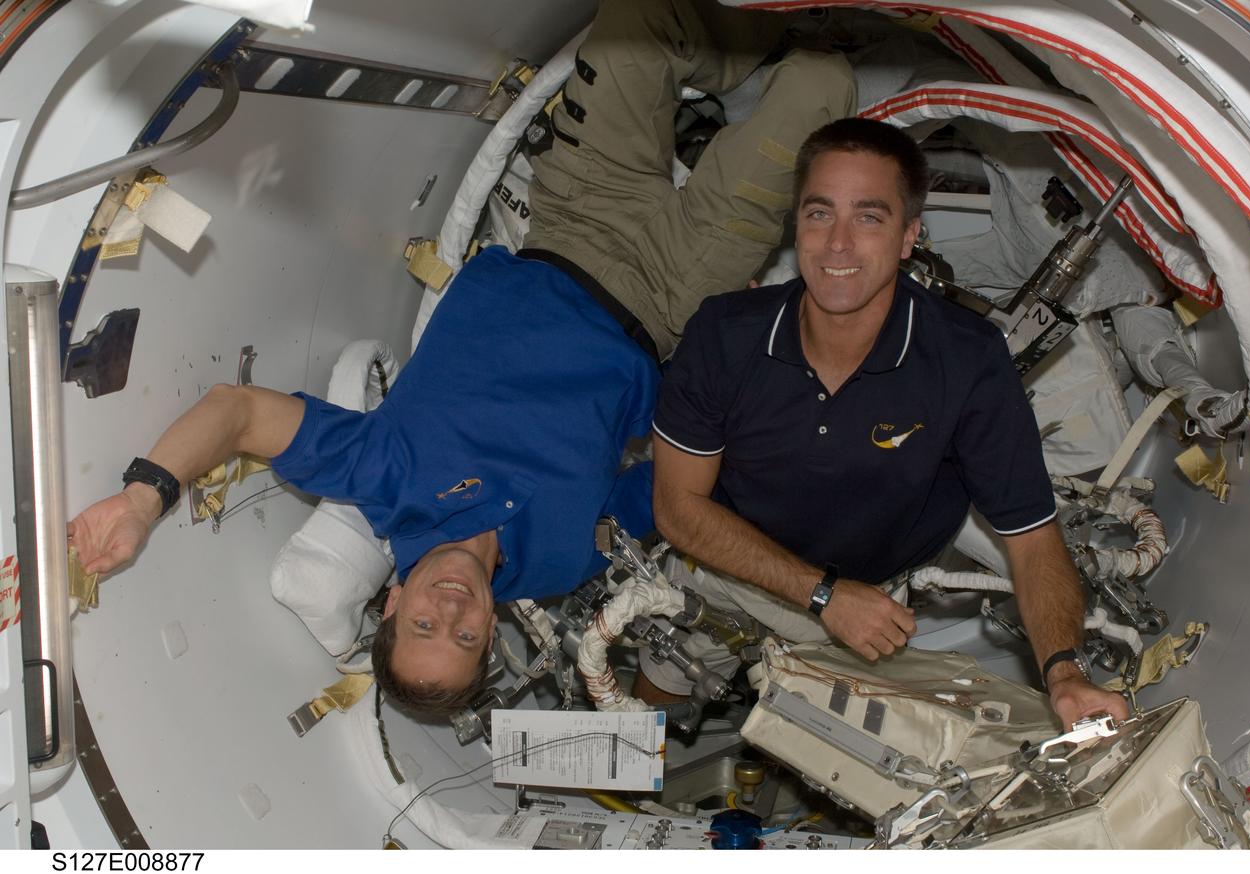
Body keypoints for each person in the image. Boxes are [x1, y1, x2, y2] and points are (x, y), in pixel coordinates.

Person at [68, 0, 858, 717]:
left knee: (635, 26)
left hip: (573, 220)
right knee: (825, 85)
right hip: (672, 296)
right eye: (466, 637)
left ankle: (742, 47)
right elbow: (668, 491)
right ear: (489, 635)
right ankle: (792, 55)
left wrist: (142, 502)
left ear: (391, 602)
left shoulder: (383, 477)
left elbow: (234, 411)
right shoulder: (556, 565)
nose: (451, 612)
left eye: (423, 626)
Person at [637, 117, 1129, 729]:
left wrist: (1065, 673)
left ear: (908, 236)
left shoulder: (965, 360)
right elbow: (678, 507)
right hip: (729, 568)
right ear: (797, 224)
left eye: (868, 217)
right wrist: (821, 593)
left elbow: (1031, 537)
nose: (838, 243)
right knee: (652, 697)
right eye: (820, 214)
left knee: (843, 762)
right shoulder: (726, 333)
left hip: (868, 605)